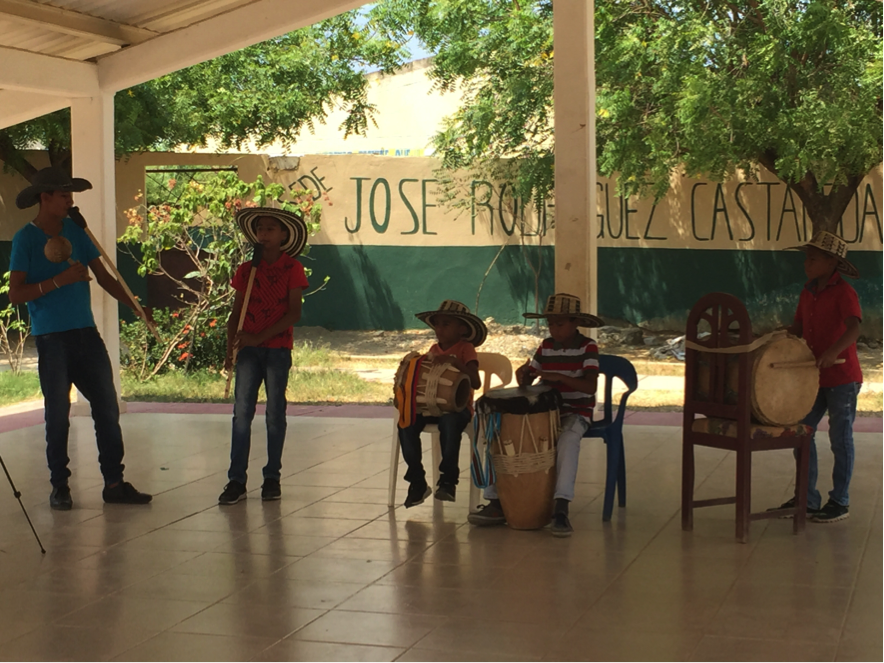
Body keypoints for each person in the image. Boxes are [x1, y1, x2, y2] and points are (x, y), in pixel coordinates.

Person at [8, 167, 153, 509]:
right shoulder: (25, 239)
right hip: (51, 339)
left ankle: (114, 483)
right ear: (45, 198)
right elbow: (16, 293)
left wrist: (134, 304)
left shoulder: (76, 230)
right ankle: (60, 486)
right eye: (64, 196)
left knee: (107, 408)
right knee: (58, 414)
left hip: (86, 334)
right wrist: (60, 280)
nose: (70, 202)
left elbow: (104, 276)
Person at [469, 293, 601, 537]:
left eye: (559, 323)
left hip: (576, 412)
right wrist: (524, 376)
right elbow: (530, 380)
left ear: (575, 323)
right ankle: (495, 501)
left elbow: (590, 386)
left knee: (568, 441)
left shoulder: (587, 347)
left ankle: (561, 508)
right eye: (550, 323)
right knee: (498, 435)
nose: (554, 328)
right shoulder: (546, 346)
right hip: (543, 413)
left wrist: (559, 377)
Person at [218, 207, 309, 505]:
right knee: (242, 413)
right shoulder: (246, 270)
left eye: (270, 229)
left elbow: (293, 313)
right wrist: (230, 348)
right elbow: (236, 314)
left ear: (283, 235)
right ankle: (236, 480)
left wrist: (259, 337)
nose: (263, 234)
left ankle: (272, 477)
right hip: (247, 350)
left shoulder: (292, 268)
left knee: (274, 413)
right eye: (260, 229)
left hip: (277, 349)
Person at [771, 231, 862, 523]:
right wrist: (778, 337)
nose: (806, 264)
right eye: (807, 258)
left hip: (842, 377)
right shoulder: (807, 291)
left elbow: (854, 328)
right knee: (802, 432)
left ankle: (840, 501)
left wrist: (832, 352)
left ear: (831, 262)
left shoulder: (844, 292)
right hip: (812, 377)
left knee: (840, 438)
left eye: (813, 259)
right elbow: (799, 327)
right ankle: (807, 499)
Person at [396, 300, 484, 507]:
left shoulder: (466, 348)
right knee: (406, 423)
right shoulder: (433, 349)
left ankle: (448, 480)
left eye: (446, 324)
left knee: (450, 423)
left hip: (458, 408)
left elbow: (476, 382)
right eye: (437, 324)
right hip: (430, 407)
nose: (439, 329)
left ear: (462, 329)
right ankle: (417, 481)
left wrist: (456, 363)